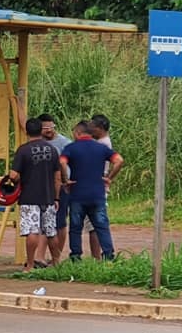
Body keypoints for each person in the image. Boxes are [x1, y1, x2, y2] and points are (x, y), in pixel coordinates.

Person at [60, 120, 124, 261]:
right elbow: (119, 160)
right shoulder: (101, 148)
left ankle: (76, 256)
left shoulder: (71, 148)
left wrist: (66, 180)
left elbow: (62, 162)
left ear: (77, 133)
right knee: (101, 226)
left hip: (77, 194)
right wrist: (109, 178)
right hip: (97, 194)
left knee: (76, 227)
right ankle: (108, 255)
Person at [8, 117, 62, 270]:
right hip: (49, 196)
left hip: (29, 197)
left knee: (32, 231)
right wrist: (56, 197)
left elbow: (14, 175)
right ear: (41, 130)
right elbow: (57, 176)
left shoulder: (23, 150)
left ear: (26, 131)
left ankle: (30, 265)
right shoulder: (52, 150)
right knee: (50, 231)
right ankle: (57, 263)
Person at [36, 113, 71, 265]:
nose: (48, 131)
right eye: (44, 128)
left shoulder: (64, 143)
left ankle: (56, 257)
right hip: (42, 187)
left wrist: (66, 181)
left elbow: (66, 165)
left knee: (60, 223)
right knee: (43, 223)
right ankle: (40, 257)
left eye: (50, 127)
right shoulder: (37, 142)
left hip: (61, 187)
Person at [87, 113, 113, 259]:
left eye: (93, 127)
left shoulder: (102, 144)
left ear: (100, 128)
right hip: (97, 185)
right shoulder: (102, 142)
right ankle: (100, 256)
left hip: (95, 187)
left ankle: (96, 257)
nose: (90, 130)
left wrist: (108, 178)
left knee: (94, 225)